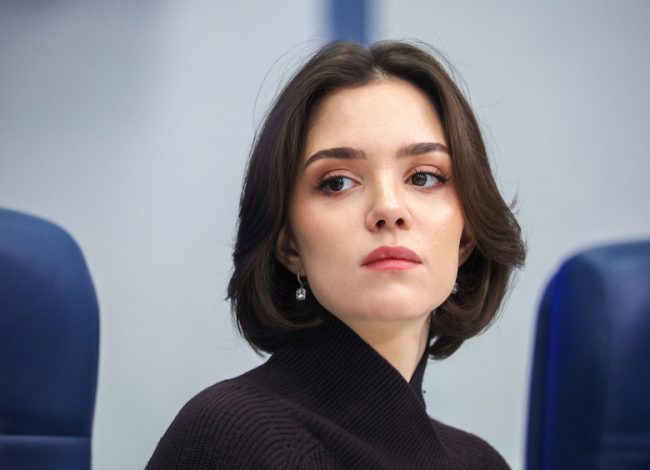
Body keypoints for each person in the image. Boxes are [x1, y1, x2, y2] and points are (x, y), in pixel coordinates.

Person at [147, 40, 526, 469]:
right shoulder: (234, 435)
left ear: (466, 238)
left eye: (423, 177)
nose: (389, 209)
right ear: (289, 244)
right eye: (337, 182)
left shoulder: (482, 463)